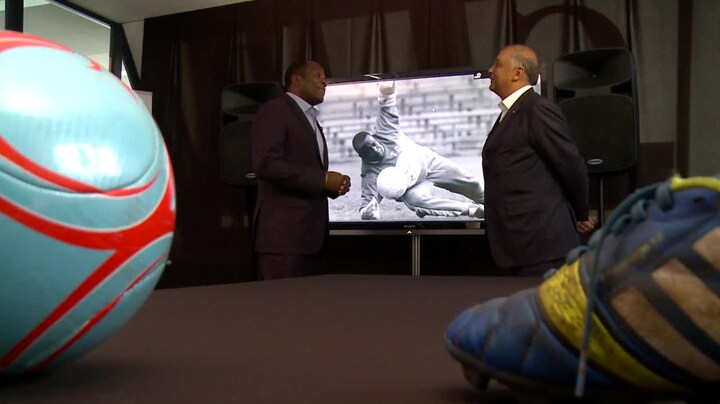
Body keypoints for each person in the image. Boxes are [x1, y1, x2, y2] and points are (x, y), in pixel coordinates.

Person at [482, 44, 596, 276]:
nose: (490, 70)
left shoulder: (537, 109)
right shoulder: (512, 112)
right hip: (520, 245)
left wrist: (581, 213)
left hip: (540, 246)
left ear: (517, 73)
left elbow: (570, 164)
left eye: (498, 65)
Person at [251, 60, 351, 280]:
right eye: (317, 75)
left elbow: (306, 170)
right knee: (283, 302)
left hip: (311, 241)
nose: (324, 81)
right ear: (296, 80)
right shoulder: (276, 110)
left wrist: (333, 187)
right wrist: (322, 179)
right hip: (284, 242)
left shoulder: (311, 119)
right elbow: (266, 164)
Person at [352, 81, 485, 220]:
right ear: (363, 157)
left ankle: (490, 201)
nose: (376, 148)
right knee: (415, 200)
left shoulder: (384, 131)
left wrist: (386, 86)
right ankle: (472, 210)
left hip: (428, 162)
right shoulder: (370, 173)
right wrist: (368, 211)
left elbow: (386, 102)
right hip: (413, 187)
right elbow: (367, 204)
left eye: (374, 143)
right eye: (370, 150)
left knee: (472, 183)